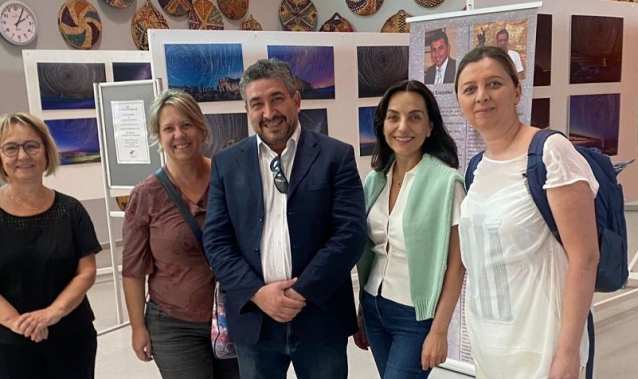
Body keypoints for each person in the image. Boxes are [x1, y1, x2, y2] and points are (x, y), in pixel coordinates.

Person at [203, 58, 367, 379]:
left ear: (296, 100)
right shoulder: (226, 163)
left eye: (276, 98)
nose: (269, 113)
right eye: (257, 104)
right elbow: (216, 241)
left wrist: (300, 292)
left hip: (319, 317)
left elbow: (350, 234)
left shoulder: (336, 156)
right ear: (247, 110)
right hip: (255, 320)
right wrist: (257, 292)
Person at [455, 46, 599, 379]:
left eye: (494, 83)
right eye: (470, 89)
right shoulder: (476, 167)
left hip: (541, 346)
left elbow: (585, 257)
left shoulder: (550, 153)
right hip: (490, 346)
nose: (482, 96)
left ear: (517, 91)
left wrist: (567, 353)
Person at [0, 112, 101, 379]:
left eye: (31, 146)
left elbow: (87, 271)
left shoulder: (71, 209)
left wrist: (52, 313)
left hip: (71, 337)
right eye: (11, 148)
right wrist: (17, 322)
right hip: (7, 342)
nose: (23, 156)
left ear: (46, 151)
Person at [121, 89, 239, 379]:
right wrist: (137, 328)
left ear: (201, 128)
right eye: (168, 128)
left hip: (234, 316)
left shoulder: (230, 178)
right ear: (158, 136)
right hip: (174, 323)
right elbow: (133, 269)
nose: (179, 135)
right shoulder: (146, 195)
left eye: (186, 124)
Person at [353, 80, 466, 378]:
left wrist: (439, 330)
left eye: (415, 117)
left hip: (414, 316)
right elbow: (373, 253)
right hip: (373, 307)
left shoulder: (447, 183)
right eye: (394, 117)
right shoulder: (375, 180)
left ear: (429, 127)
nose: (403, 127)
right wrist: (363, 309)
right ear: (382, 125)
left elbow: (457, 265)